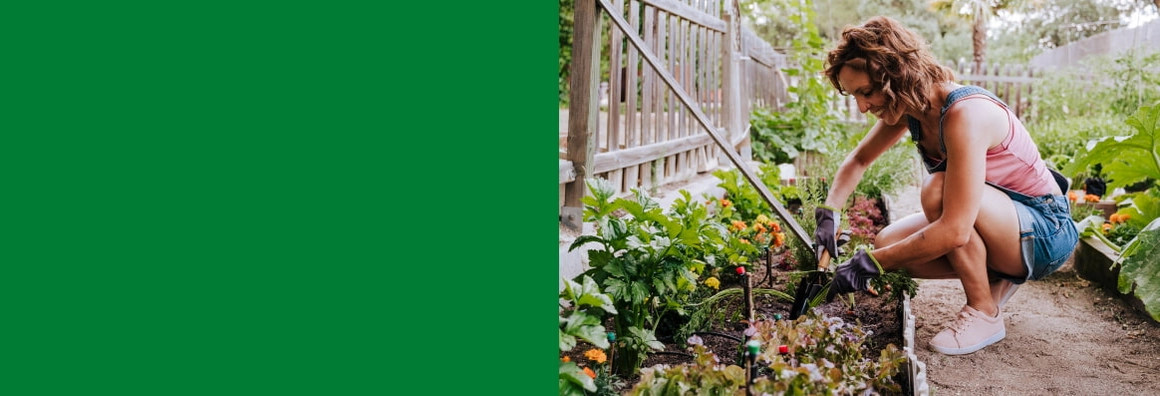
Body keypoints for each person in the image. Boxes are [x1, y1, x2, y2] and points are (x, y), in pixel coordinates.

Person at [813, 16, 1079, 355]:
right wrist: (829, 212)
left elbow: (954, 230)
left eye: (866, 92)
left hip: (1045, 231)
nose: (862, 106)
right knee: (890, 241)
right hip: (1004, 225)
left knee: (936, 192)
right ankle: (998, 277)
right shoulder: (913, 109)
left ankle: (984, 311)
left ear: (897, 75)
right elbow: (859, 161)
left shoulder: (964, 114)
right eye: (855, 96)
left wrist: (869, 263)